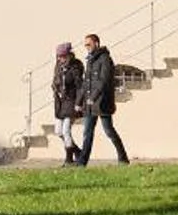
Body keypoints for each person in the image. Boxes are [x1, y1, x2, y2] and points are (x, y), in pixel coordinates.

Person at [78, 33, 130, 166]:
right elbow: (86, 83)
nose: (87, 47)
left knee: (109, 131)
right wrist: (79, 101)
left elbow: (104, 81)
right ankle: (81, 163)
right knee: (87, 133)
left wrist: (93, 97)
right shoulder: (90, 60)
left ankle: (123, 158)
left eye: (89, 44)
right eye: (85, 45)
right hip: (90, 104)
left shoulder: (105, 59)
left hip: (102, 103)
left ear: (96, 43)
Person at [51, 42, 85, 165]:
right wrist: (55, 88)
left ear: (69, 55)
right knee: (58, 131)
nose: (60, 59)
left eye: (63, 56)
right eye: (59, 56)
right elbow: (55, 80)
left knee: (66, 130)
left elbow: (80, 86)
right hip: (60, 102)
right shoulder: (58, 65)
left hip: (71, 101)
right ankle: (77, 151)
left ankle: (69, 160)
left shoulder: (76, 66)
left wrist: (79, 103)